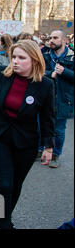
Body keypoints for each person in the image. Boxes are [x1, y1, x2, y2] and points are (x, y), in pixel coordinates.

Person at [0, 40, 55, 229]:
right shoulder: (0, 74)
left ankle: (2, 212)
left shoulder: (45, 85)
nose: (15, 61)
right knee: (4, 183)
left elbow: (48, 118)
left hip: (26, 141)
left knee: (15, 184)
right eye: (14, 57)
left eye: (21, 58)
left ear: (34, 60)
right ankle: (4, 223)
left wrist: (48, 146)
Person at [40, 30, 74, 168]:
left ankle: (55, 155)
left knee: (59, 129)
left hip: (64, 98)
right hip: (45, 96)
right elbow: (38, 71)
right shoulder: (45, 55)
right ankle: (40, 150)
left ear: (64, 40)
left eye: (55, 38)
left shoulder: (72, 57)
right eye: (50, 37)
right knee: (41, 124)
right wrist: (50, 74)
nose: (51, 40)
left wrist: (64, 72)